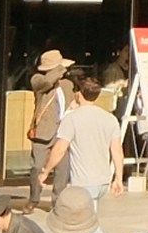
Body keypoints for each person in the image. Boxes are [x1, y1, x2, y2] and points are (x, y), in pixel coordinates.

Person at [38, 71, 124, 199]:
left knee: (81, 217)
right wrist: (118, 178)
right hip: (103, 180)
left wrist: (45, 172)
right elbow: (117, 151)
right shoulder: (110, 118)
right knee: (91, 215)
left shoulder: (72, 119)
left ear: (79, 94)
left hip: (83, 181)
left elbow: (60, 149)